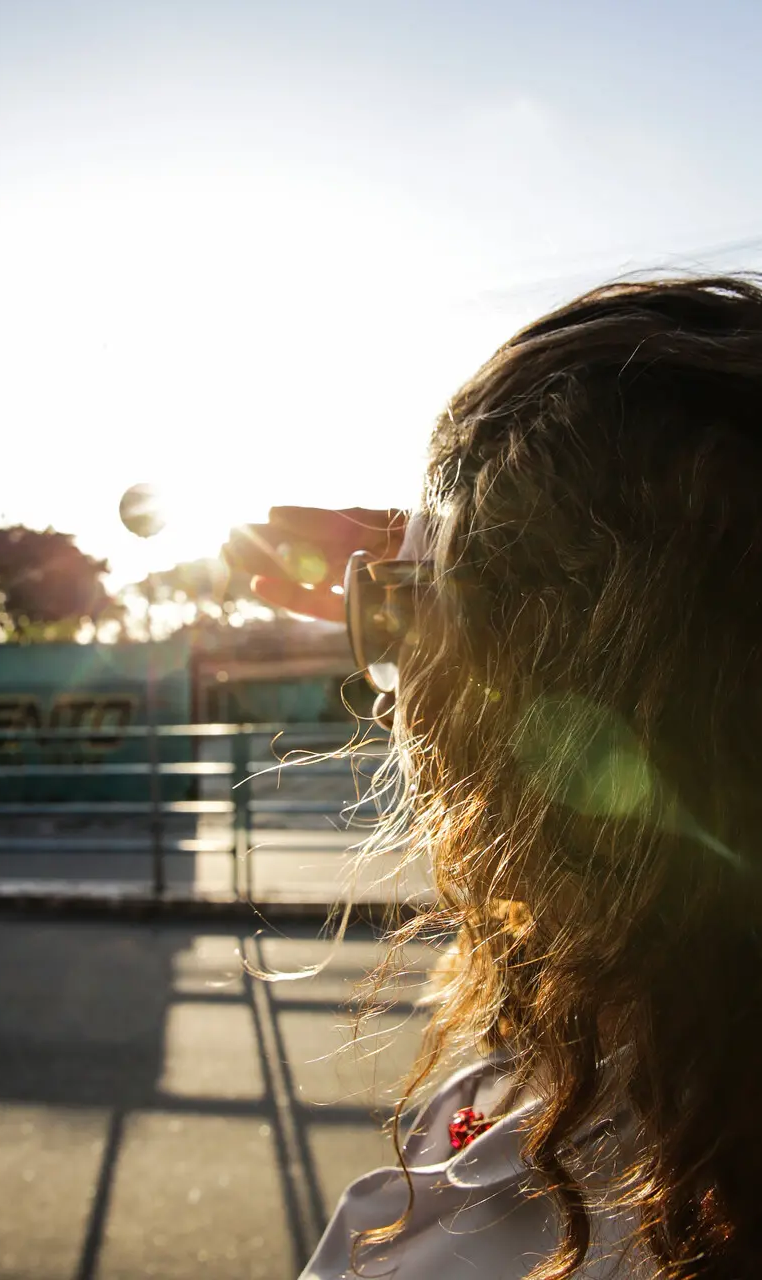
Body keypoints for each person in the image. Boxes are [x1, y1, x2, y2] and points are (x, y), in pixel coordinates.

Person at [223, 275, 762, 1279]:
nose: (391, 702)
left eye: (420, 611)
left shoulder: (596, 1206)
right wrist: (459, 557)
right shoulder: (652, 1042)